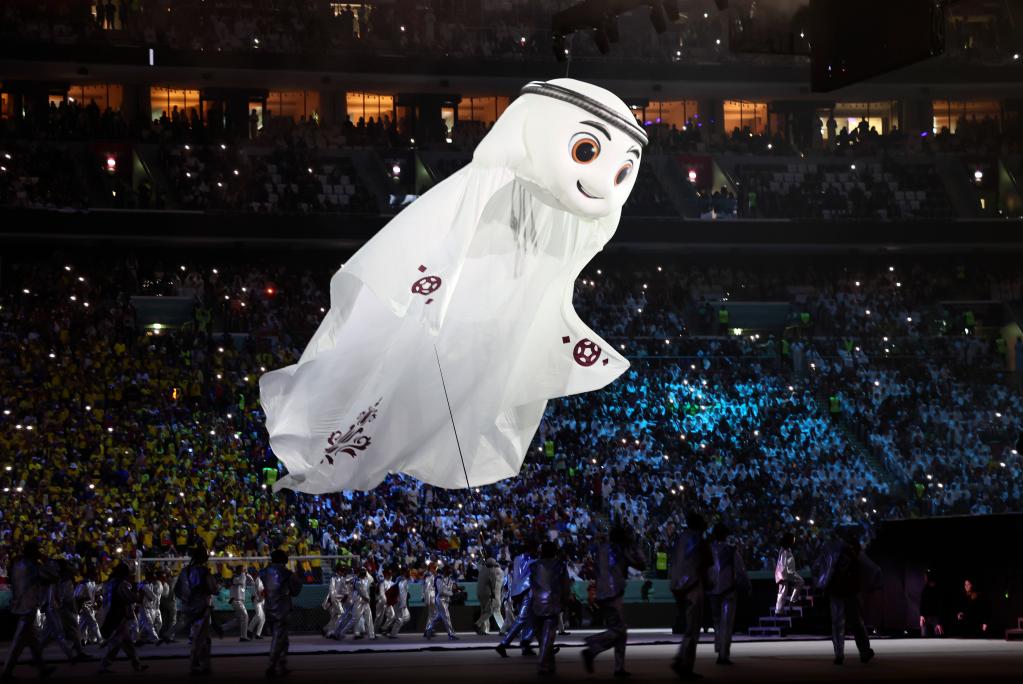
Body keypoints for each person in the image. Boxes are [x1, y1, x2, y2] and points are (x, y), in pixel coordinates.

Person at [581, 526, 646, 677]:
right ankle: (592, 646)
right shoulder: (621, 550)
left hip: (602, 592)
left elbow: (597, 570)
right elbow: (641, 564)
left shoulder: (601, 549)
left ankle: (619, 667)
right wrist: (634, 546)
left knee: (619, 631)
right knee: (619, 631)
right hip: (614, 593)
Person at [814, 526, 877, 665]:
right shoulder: (853, 548)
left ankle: (839, 655)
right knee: (857, 623)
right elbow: (870, 568)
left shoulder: (829, 549)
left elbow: (817, 566)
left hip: (836, 591)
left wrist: (820, 583)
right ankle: (864, 652)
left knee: (837, 625)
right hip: (851, 591)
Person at [1, 541, 58, 680]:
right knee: (18, 642)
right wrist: (46, 561)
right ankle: (6, 671)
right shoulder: (34, 566)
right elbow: (54, 577)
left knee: (32, 641)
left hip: (18, 605)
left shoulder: (17, 565)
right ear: (33, 553)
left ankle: (42, 668)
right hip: (28, 607)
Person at [669, 512, 711, 681]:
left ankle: (681, 658)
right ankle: (685, 665)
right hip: (693, 586)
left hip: (677, 586)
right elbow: (707, 563)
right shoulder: (699, 540)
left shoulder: (679, 539)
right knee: (693, 630)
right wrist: (708, 583)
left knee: (689, 628)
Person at [707, 523, 750, 666]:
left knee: (717, 623)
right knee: (727, 623)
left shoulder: (708, 550)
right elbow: (741, 570)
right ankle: (723, 654)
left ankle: (719, 648)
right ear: (726, 535)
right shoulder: (731, 551)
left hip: (713, 592)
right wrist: (747, 585)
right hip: (728, 591)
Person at [175, 544, 219, 676]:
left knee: (200, 637)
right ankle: (197, 666)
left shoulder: (185, 571)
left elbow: (177, 590)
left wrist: (187, 600)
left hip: (189, 609)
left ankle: (202, 665)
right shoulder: (204, 572)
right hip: (201, 609)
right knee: (201, 638)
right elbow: (214, 589)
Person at [98, 562, 148, 674]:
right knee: (117, 643)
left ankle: (137, 665)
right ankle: (104, 665)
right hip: (118, 616)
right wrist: (138, 593)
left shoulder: (110, 583)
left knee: (127, 643)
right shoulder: (120, 585)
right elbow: (130, 598)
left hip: (112, 615)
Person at [261, 549, 303, 678]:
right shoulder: (287, 573)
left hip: (269, 608)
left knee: (283, 639)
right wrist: (298, 575)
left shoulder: (264, 572)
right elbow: (296, 591)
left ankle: (282, 665)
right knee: (278, 639)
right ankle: (271, 666)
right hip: (282, 610)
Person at [530, 541, 570, 676]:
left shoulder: (533, 566)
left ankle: (550, 665)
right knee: (548, 637)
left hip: (536, 604)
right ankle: (543, 664)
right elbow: (565, 586)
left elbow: (530, 585)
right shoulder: (560, 566)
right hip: (552, 604)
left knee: (543, 638)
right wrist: (564, 602)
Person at [41, 558, 87, 662]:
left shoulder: (58, 578)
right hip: (61, 609)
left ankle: (78, 651)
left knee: (51, 633)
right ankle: (77, 653)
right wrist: (69, 607)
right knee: (69, 629)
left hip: (57, 609)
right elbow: (65, 597)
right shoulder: (63, 580)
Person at [496, 546, 535, 657]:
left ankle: (526, 646)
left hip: (519, 594)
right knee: (522, 620)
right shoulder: (528, 560)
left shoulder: (518, 560)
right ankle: (504, 644)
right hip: (527, 593)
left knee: (529, 621)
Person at [424, 565, 457, 640]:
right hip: (440, 600)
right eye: (448, 570)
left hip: (446, 600)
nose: (450, 572)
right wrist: (451, 593)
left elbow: (451, 587)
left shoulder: (449, 579)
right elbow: (441, 591)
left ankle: (429, 629)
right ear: (445, 571)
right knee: (446, 617)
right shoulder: (439, 578)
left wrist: (455, 589)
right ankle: (451, 634)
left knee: (438, 617)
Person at [774, 532, 804, 615]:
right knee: (783, 591)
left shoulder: (788, 549)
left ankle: (782, 608)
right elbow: (783, 564)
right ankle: (780, 610)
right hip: (785, 573)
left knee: (784, 590)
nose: (794, 540)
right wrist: (783, 576)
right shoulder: (784, 551)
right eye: (793, 539)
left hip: (788, 573)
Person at [475, 557, 503, 635]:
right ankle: (502, 629)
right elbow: (493, 584)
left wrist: (481, 559)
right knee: (492, 611)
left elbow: (478, 565)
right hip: (492, 594)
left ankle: (484, 630)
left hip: (481, 594)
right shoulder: (496, 572)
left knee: (484, 611)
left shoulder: (483, 569)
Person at [137, 569, 164, 645]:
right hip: (144, 607)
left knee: (147, 625)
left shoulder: (150, 584)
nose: (153, 578)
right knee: (148, 624)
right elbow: (153, 597)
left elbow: (154, 596)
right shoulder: (144, 585)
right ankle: (155, 639)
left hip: (150, 607)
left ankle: (140, 639)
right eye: (152, 576)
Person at [75, 570, 102, 646]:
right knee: (93, 623)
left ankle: (81, 640)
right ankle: (100, 639)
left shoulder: (92, 583)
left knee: (83, 624)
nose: (97, 577)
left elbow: (95, 590)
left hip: (88, 605)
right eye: (96, 575)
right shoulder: (83, 583)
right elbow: (77, 595)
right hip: (85, 605)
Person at [323, 563, 348, 638]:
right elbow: (332, 590)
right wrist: (333, 600)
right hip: (333, 600)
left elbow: (345, 590)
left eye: (343, 570)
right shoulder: (333, 578)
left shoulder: (343, 578)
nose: (343, 572)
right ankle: (335, 632)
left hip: (339, 600)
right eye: (341, 570)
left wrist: (344, 597)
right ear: (337, 570)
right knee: (341, 614)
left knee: (334, 617)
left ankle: (328, 631)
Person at [229, 566, 253, 641]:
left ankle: (221, 628)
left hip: (240, 601)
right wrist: (243, 574)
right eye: (242, 570)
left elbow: (252, 582)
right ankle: (243, 637)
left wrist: (247, 574)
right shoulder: (235, 578)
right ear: (238, 570)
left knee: (238, 620)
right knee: (245, 616)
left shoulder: (242, 577)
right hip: (236, 601)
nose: (244, 571)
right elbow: (241, 582)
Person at [385, 567, 411, 638]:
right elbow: (401, 593)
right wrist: (402, 604)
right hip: (399, 602)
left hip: (401, 602)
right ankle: (392, 634)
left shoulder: (401, 579)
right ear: (404, 572)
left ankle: (391, 627)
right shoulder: (401, 580)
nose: (408, 573)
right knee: (399, 619)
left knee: (407, 617)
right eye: (407, 571)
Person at [919, 569, 944, 637]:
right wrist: (921, 615)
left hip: (936, 618)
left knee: (938, 636)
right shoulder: (925, 589)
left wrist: (939, 622)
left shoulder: (939, 589)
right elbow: (922, 603)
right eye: (925, 576)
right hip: (926, 617)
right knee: (924, 636)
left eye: (926, 576)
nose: (925, 578)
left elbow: (941, 606)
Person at [158, 570, 178, 643]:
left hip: (163, 603)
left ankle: (163, 635)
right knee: (172, 620)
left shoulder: (161, 582)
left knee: (164, 620)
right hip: (172, 603)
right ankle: (170, 636)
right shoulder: (173, 581)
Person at [374, 568, 394, 632]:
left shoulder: (391, 583)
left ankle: (383, 628)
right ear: (385, 574)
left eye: (390, 574)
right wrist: (386, 601)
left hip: (388, 602)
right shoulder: (382, 582)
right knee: (379, 618)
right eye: (388, 574)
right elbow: (381, 593)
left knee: (392, 616)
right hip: (381, 602)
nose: (390, 575)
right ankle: (373, 632)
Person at [249, 566, 267, 640]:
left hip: (260, 599)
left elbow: (261, 591)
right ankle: (249, 630)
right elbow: (261, 591)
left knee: (263, 618)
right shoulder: (256, 580)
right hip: (258, 600)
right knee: (259, 615)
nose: (255, 574)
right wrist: (261, 597)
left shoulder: (258, 580)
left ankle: (258, 634)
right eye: (254, 573)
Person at [421, 562, 438, 631]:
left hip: (432, 595)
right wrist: (425, 597)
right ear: (430, 568)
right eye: (434, 567)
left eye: (435, 568)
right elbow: (426, 587)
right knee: (434, 613)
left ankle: (428, 629)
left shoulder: (431, 574)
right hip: (431, 596)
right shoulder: (428, 575)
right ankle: (429, 628)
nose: (435, 569)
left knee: (432, 613)